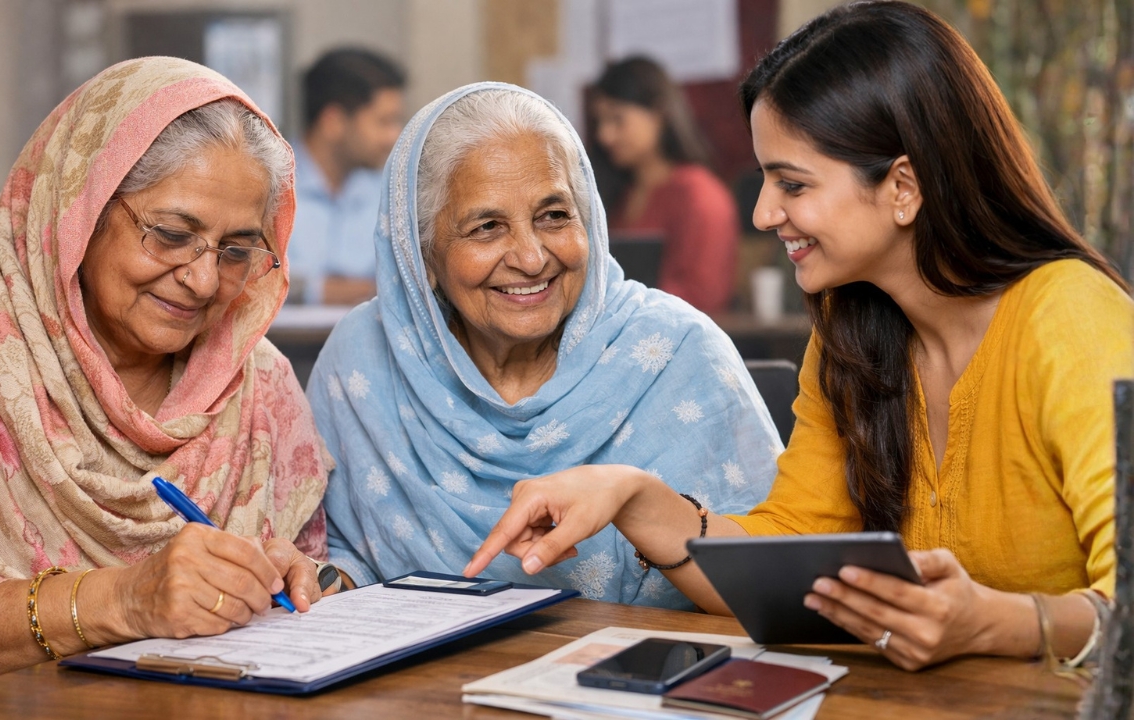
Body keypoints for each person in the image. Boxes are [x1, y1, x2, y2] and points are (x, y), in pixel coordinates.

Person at [467, 1, 1133, 671]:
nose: (762, 213)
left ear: (904, 185)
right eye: (764, 181)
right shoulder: (854, 334)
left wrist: (998, 623)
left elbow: (1127, 605)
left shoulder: (1070, 319)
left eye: (792, 183)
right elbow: (787, 552)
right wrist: (632, 496)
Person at [0, 58, 333, 708]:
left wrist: (299, 582)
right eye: (171, 235)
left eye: (237, 250)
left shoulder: (260, 382)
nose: (202, 279)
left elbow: (307, 579)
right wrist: (129, 599)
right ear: (81, 205)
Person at [306, 83, 780, 607]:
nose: (531, 259)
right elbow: (337, 551)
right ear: (422, 258)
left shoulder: (676, 351)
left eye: (554, 216)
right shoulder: (364, 361)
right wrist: (326, 578)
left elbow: (777, 583)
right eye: (487, 228)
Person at [590, 57, 740, 314]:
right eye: (600, 122)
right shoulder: (618, 194)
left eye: (617, 119)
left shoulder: (699, 194)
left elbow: (703, 294)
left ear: (658, 114)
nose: (605, 135)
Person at [288, 48, 406, 305]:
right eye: (383, 122)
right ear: (334, 122)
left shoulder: (386, 193)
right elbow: (255, 282)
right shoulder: (266, 185)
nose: (393, 137)